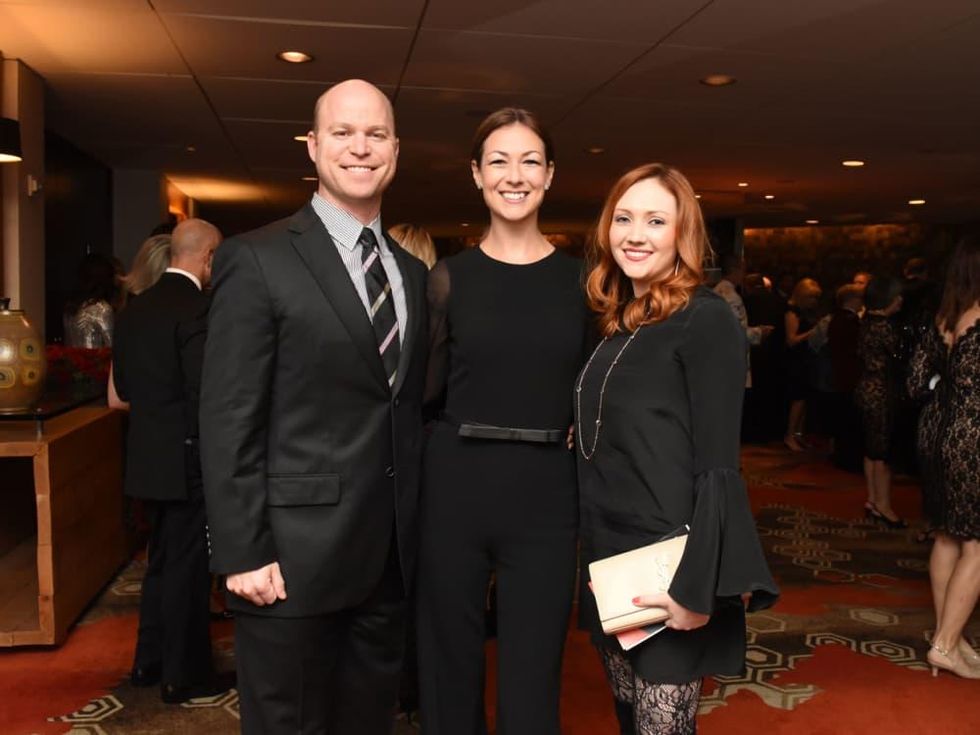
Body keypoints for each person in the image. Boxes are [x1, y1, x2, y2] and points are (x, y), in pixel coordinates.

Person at [199, 79, 429, 735]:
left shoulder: (410, 275)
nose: (361, 147)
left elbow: (402, 413)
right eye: (343, 132)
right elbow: (227, 416)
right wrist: (241, 551)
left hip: (386, 560)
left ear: (395, 149)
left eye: (376, 133)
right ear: (313, 144)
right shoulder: (257, 257)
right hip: (288, 562)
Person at [576, 163, 778, 734]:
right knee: (629, 718)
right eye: (624, 218)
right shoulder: (618, 320)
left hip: (670, 564)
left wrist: (698, 591)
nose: (635, 234)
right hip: (609, 558)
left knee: (662, 727)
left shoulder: (706, 318)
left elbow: (719, 465)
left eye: (655, 220)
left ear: (681, 235)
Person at [416, 108, 590, 735]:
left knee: (534, 666)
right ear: (476, 174)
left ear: (549, 176)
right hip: (455, 484)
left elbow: (599, 389)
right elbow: (424, 393)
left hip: (546, 492)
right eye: (498, 161)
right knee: (447, 659)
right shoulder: (447, 279)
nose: (514, 175)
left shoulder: (585, 282)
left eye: (529, 161)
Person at [109, 218, 224, 702]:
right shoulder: (199, 309)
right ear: (209, 258)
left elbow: (127, 390)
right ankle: (183, 674)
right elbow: (205, 395)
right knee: (187, 570)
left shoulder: (135, 311)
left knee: (158, 565)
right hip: (187, 460)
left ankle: (147, 663)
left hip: (145, 460)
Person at [907, 236, 980, 679]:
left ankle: (948, 635)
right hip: (973, 435)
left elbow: (915, 384)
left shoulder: (943, 317)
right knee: (977, 542)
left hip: (936, 432)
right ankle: (946, 644)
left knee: (948, 536)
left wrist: (946, 388)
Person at [855, 276, 906, 527]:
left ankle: (873, 500)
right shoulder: (885, 327)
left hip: (865, 388)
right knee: (883, 452)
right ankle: (883, 505)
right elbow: (901, 361)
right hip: (881, 391)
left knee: (871, 449)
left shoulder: (865, 321)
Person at [827, 284, 865, 470]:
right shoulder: (849, 321)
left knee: (843, 418)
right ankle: (849, 459)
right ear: (853, 300)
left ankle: (843, 455)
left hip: (840, 374)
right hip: (850, 375)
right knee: (849, 419)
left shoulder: (837, 319)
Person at [783, 277, 822, 450]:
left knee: (804, 398)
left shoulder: (804, 311)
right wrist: (814, 331)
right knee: (798, 399)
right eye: (810, 297)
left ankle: (798, 434)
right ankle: (790, 435)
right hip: (795, 360)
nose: (813, 302)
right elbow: (791, 340)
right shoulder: (792, 312)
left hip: (805, 359)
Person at [63, 252, 118, 347]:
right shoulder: (102, 309)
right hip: (95, 361)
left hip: (74, 361)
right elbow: (112, 347)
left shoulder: (71, 308)